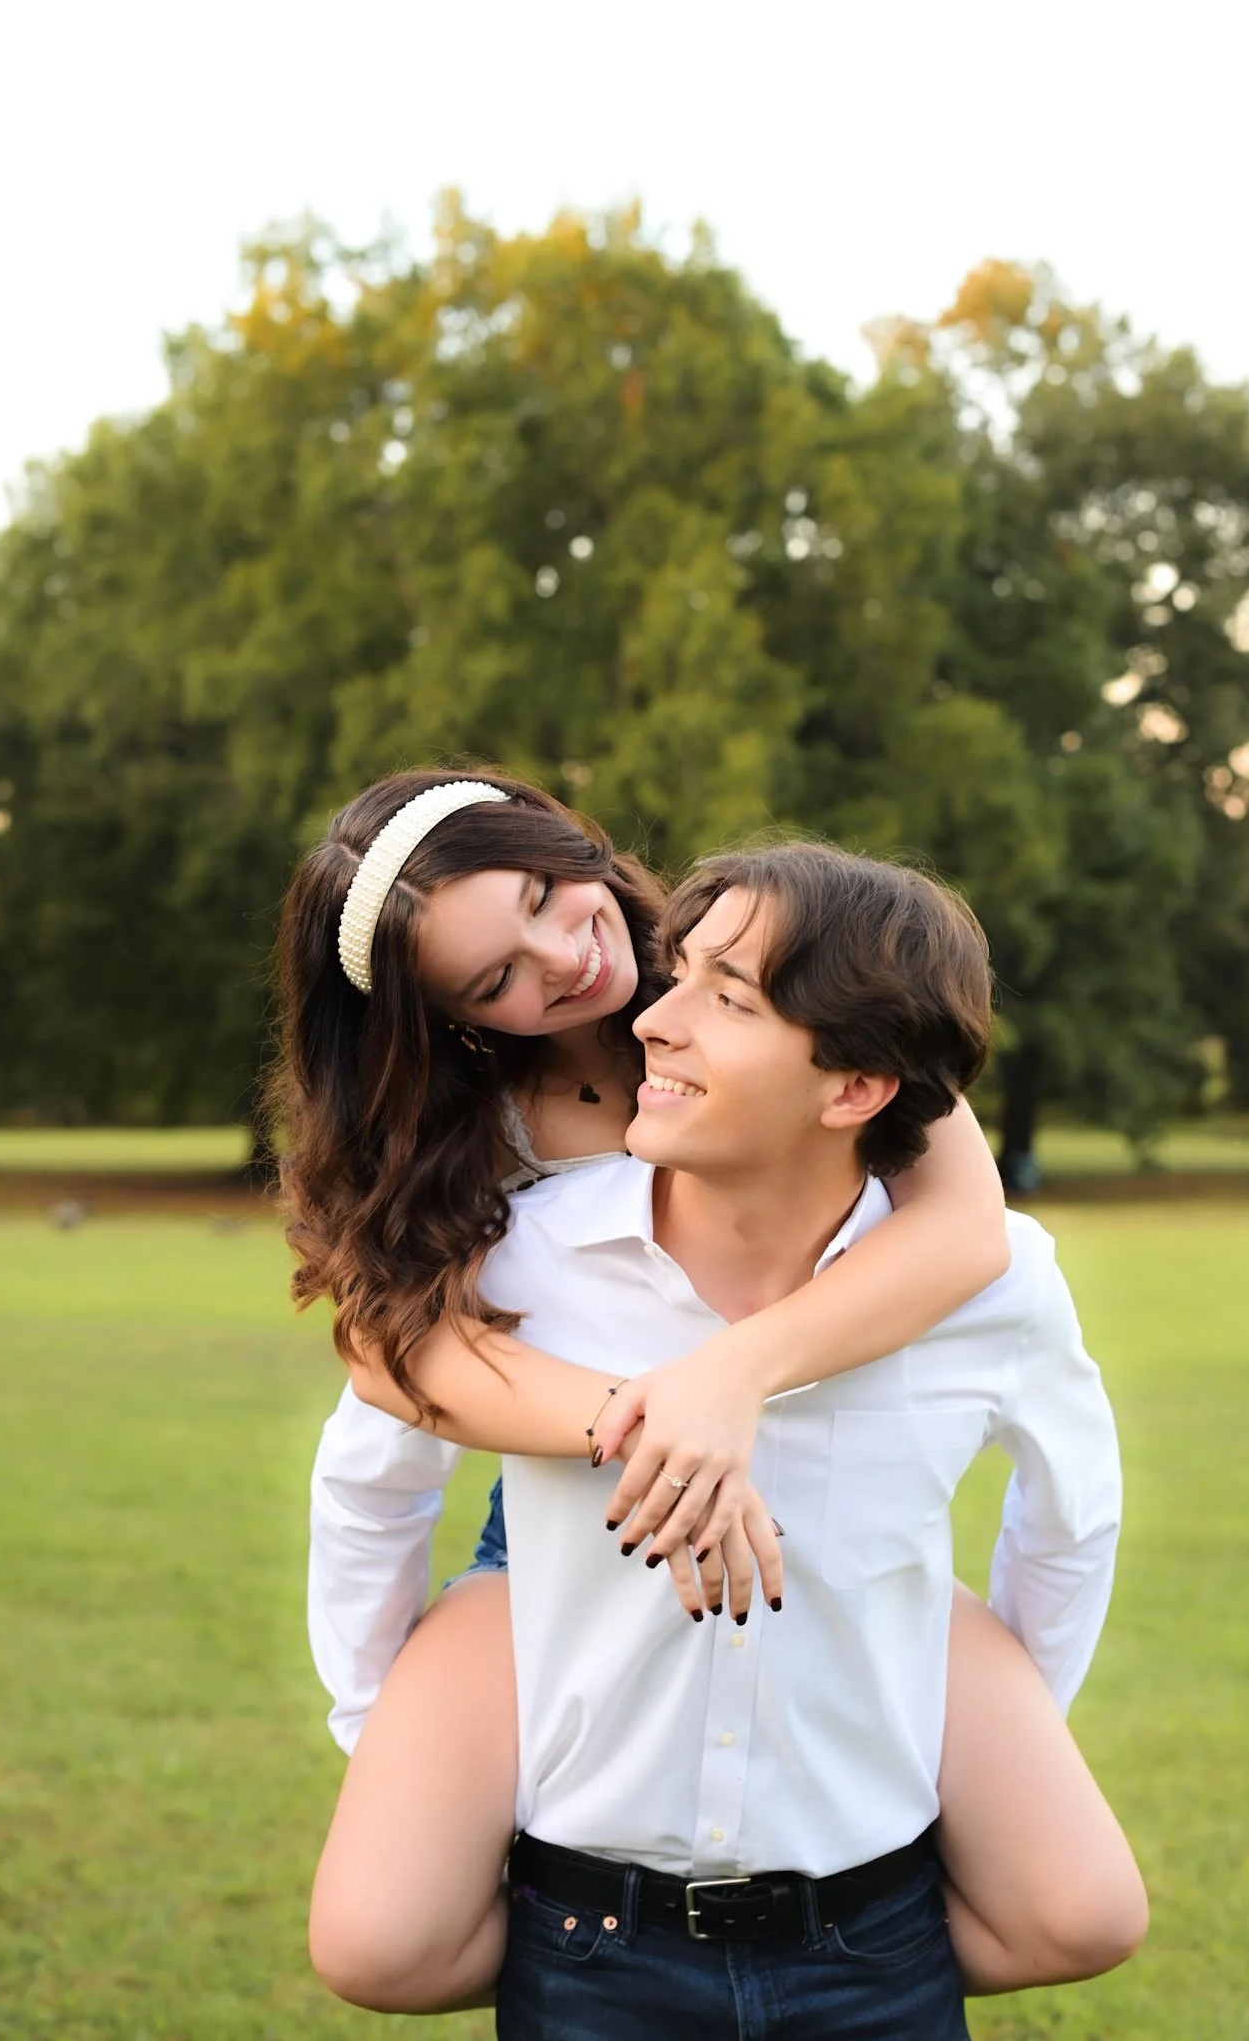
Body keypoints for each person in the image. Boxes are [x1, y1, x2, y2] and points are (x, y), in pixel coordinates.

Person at [276, 772, 1145, 2013]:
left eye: (543, 893)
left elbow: (965, 1235)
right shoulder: (471, 1128)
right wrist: (647, 1422)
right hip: (565, 1494)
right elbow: (393, 1361)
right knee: (385, 1932)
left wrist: (731, 1374)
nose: (566, 961)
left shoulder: (772, 961)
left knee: (1078, 1902)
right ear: (447, 1021)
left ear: (567, 836)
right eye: (493, 979)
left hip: (817, 1453)